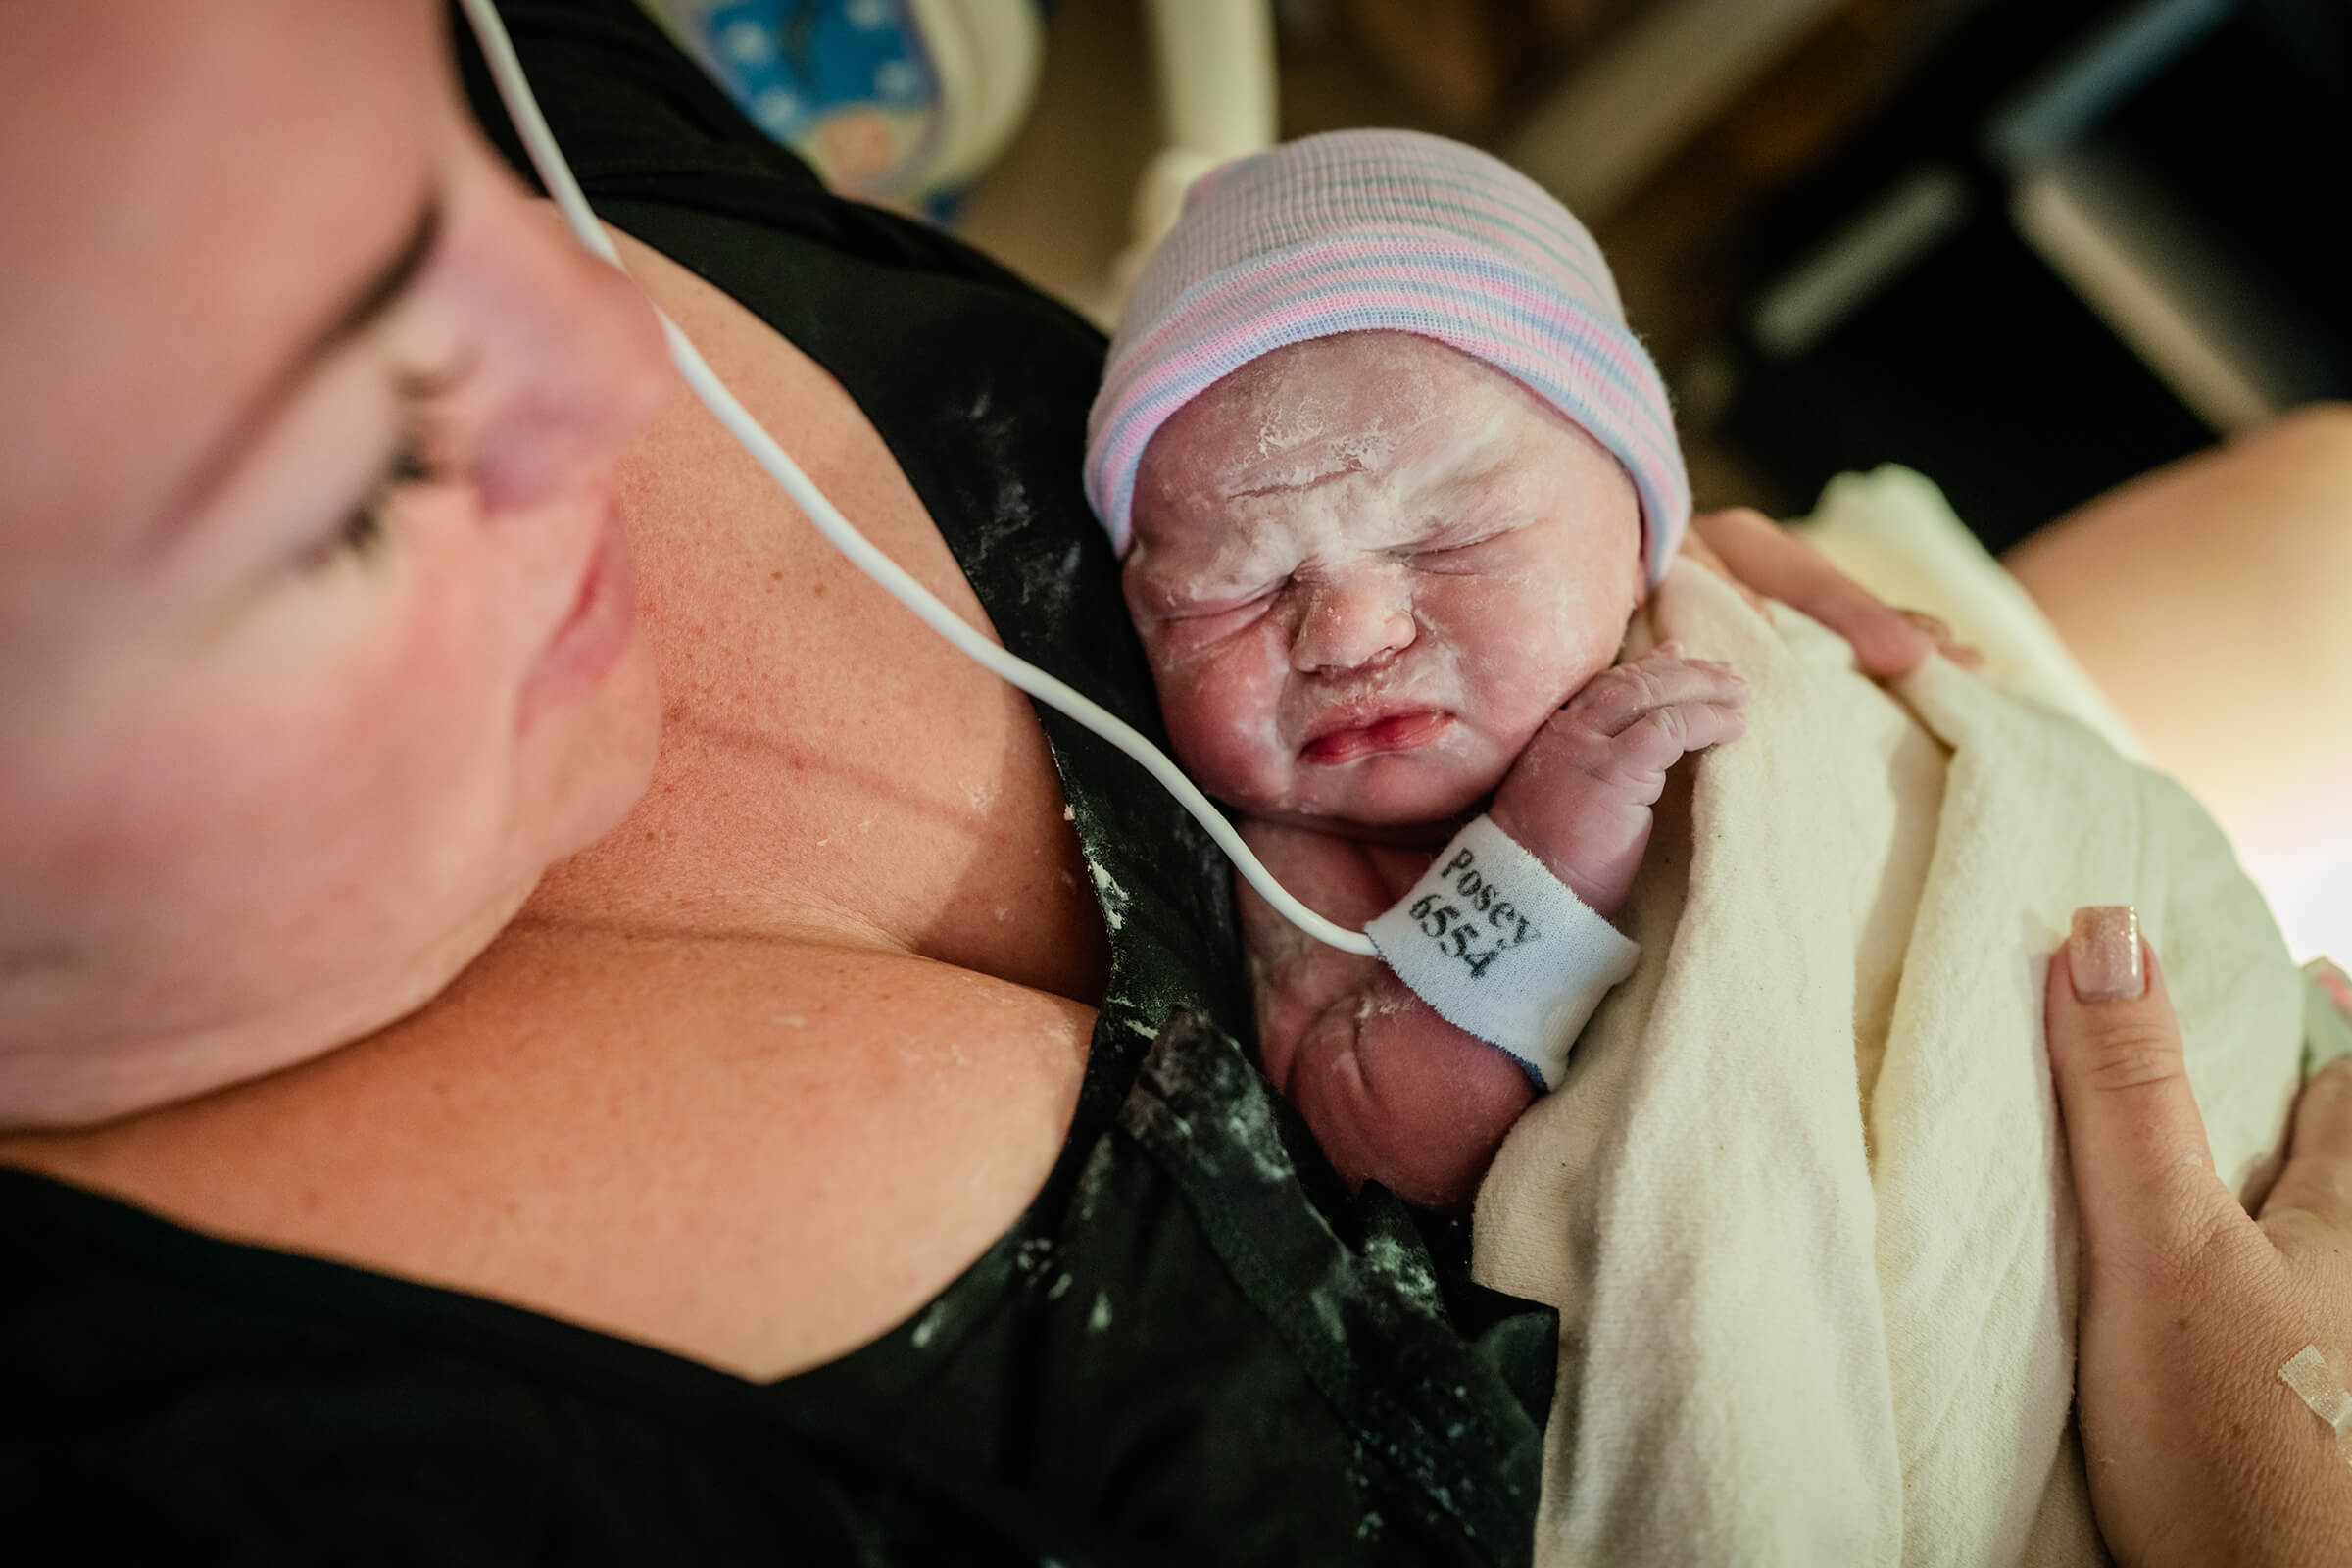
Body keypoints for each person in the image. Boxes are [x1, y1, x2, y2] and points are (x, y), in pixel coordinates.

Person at [0, 3, 2344, 1563]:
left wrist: (1559, 524)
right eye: (357, 458)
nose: (605, 348)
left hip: (1919, 838)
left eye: (443, 173)